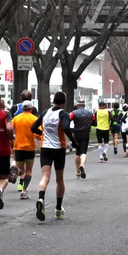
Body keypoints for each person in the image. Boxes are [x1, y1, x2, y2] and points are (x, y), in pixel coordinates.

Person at [31, 91, 77, 221]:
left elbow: (33, 127)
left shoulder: (45, 113)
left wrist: (43, 134)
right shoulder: (63, 114)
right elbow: (67, 128)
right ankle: (58, 209)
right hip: (58, 148)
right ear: (64, 102)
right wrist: (74, 143)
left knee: (45, 176)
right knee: (59, 179)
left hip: (45, 147)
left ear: (53, 101)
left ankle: (41, 198)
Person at [11, 100, 39, 199]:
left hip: (18, 147)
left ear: (22, 108)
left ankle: (15, 173)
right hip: (30, 148)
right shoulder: (35, 119)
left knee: (21, 170)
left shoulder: (16, 119)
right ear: (31, 109)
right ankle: (24, 191)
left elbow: (11, 131)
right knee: (28, 171)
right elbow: (38, 134)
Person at [70, 99, 95, 178]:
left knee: (77, 153)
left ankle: (78, 170)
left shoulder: (74, 113)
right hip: (86, 133)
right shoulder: (90, 113)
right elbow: (94, 121)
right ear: (84, 105)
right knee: (83, 152)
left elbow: (69, 119)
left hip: (77, 134)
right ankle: (82, 165)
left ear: (77, 105)